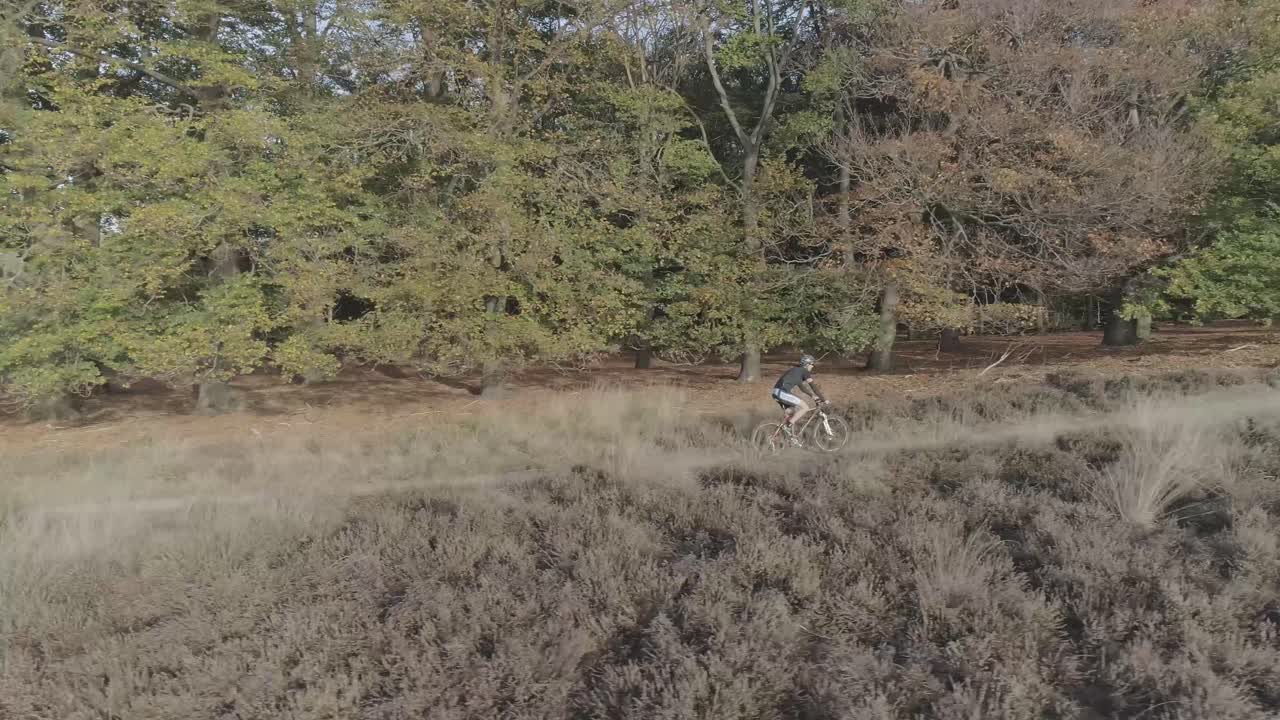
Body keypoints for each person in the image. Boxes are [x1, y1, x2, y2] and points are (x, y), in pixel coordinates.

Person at [771, 353, 826, 441]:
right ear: (807, 364)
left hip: (775, 392)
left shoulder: (796, 371)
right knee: (805, 407)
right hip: (782, 392)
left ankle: (782, 435)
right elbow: (813, 386)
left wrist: (812, 396)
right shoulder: (804, 371)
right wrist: (823, 399)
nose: (813, 366)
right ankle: (788, 426)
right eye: (812, 364)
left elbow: (802, 387)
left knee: (792, 412)